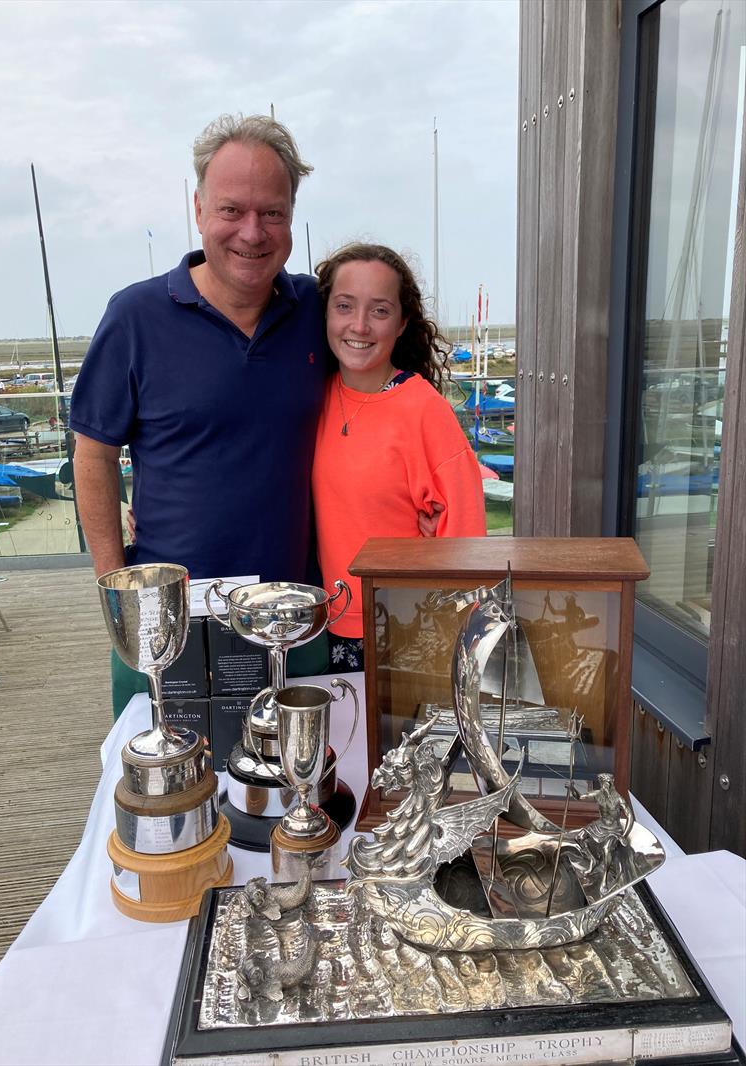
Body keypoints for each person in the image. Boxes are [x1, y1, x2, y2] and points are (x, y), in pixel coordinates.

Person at [70, 114, 327, 715]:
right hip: (171, 623)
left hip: (295, 615)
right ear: (199, 208)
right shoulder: (135, 316)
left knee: (296, 788)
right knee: (169, 797)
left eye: (273, 213)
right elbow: (93, 454)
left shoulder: (317, 307)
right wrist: (116, 593)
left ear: (293, 215)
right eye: (232, 210)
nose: (252, 232)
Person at [312, 243, 487, 669]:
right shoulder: (314, 392)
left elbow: (465, 536)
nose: (359, 325)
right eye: (345, 306)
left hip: (404, 628)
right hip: (324, 622)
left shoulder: (424, 409)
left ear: (402, 322)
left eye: (379, 310)